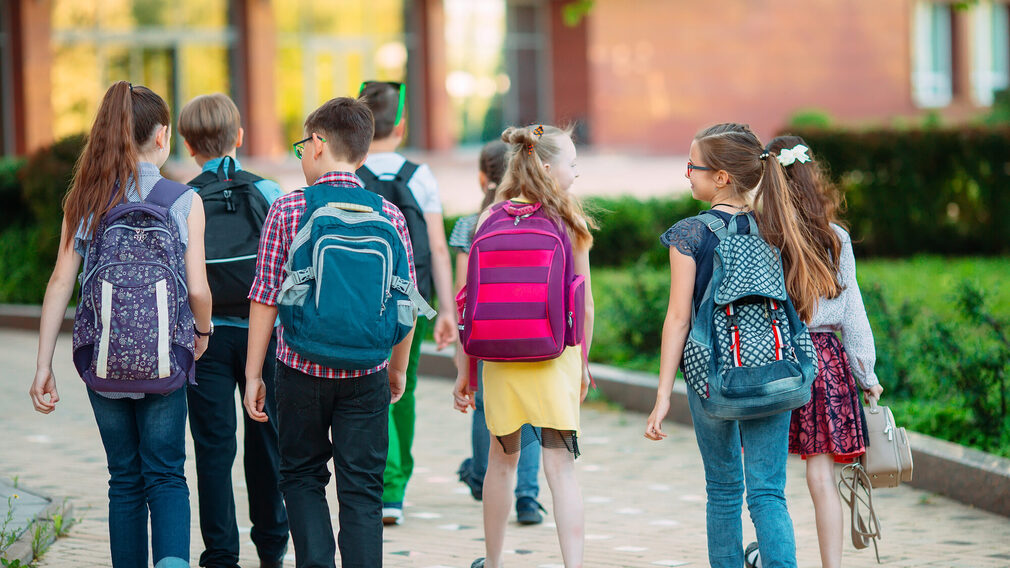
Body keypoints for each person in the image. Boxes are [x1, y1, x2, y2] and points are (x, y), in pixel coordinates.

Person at [30, 80, 212, 568]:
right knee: (167, 474)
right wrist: (202, 333)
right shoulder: (183, 200)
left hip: (104, 355)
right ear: (162, 136)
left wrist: (43, 364)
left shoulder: (86, 198)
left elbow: (58, 284)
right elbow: (197, 289)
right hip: (164, 356)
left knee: (124, 478)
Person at [645, 122, 831, 568]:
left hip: (711, 375)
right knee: (768, 491)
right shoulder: (778, 227)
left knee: (724, 490)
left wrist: (662, 394)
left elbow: (678, 318)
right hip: (775, 372)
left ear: (721, 177)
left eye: (693, 165)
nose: (687, 173)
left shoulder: (690, 234)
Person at [243, 96, 417, 568]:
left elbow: (265, 297)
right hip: (367, 370)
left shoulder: (287, 209)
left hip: (299, 366)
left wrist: (254, 374)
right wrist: (396, 369)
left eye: (302, 146)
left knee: (301, 476)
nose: (300, 155)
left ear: (317, 145)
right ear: (360, 155)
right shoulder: (390, 215)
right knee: (362, 489)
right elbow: (407, 303)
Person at [453, 125, 596, 568]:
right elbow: (585, 304)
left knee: (501, 463)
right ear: (548, 166)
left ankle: (494, 562)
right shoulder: (569, 220)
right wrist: (584, 364)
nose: (576, 171)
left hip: (499, 359)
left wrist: (465, 372)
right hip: (555, 357)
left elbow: (468, 302)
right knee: (560, 468)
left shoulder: (488, 218)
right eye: (572, 163)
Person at [742, 136, 885, 568]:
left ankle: (772, 555)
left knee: (767, 477)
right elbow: (853, 314)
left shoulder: (762, 237)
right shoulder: (835, 238)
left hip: (777, 359)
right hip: (826, 361)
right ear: (811, 177)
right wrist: (868, 376)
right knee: (822, 475)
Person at [177, 93, 289, 568]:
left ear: (187, 146)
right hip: (265, 334)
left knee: (213, 447)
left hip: (205, 338)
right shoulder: (268, 191)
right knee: (267, 442)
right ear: (240, 137)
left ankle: (220, 555)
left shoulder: (183, 199)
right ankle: (272, 548)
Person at [356, 80, 458, 525]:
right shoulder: (419, 175)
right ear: (400, 123)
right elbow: (437, 247)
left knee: (370, 385)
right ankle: (395, 489)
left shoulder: (349, 172)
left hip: (358, 301)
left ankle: (378, 480)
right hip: (411, 302)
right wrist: (448, 313)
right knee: (405, 386)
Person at [450, 140, 546, 525]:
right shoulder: (542, 218)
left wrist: (462, 357)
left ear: (482, 176)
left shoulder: (471, 225)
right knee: (533, 413)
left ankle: (482, 478)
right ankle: (527, 497)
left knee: (485, 406)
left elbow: (463, 297)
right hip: (534, 330)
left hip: (489, 333)